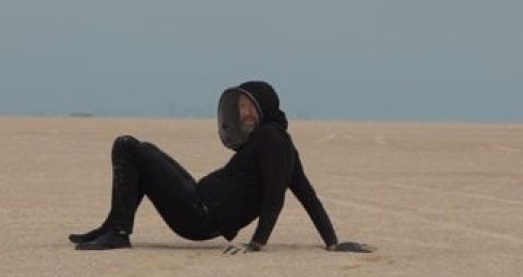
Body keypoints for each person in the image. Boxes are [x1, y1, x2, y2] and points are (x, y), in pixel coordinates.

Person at [69, 80, 372, 253]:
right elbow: (309, 196)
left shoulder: (273, 140)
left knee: (127, 146)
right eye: (241, 108)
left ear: (265, 107)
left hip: (200, 216)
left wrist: (257, 243)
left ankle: (118, 232)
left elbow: (278, 196)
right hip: (197, 202)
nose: (244, 114)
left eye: (250, 108)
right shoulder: (278, 142)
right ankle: (112, 228)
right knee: (141, 152)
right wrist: (332, 242)